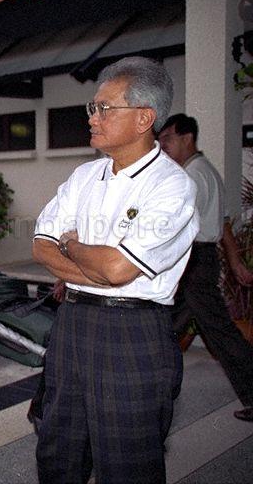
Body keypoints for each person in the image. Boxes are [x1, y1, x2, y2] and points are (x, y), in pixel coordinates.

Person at [33, 56, 199, 483]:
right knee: (58, 449)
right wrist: (94, 269)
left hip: (132, 332)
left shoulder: (172, 185)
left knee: (128, 459)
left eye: (105, 108)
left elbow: (118, 267)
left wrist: (71, 242)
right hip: (72, 323)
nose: (93, 117)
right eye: (93, 107)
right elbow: (40, 245)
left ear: (144, 117)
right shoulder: (84, 176)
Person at [158, 113, 253, 422]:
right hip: (202, 259)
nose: (163, 145)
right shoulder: (206, 171)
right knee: (164, 327)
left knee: (220, 333)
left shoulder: (191, 176)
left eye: (168, 138)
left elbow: (178, 228)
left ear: (188, 138)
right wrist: (235, 260)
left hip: (194, 261)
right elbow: (223, 221)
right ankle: (142, 389)